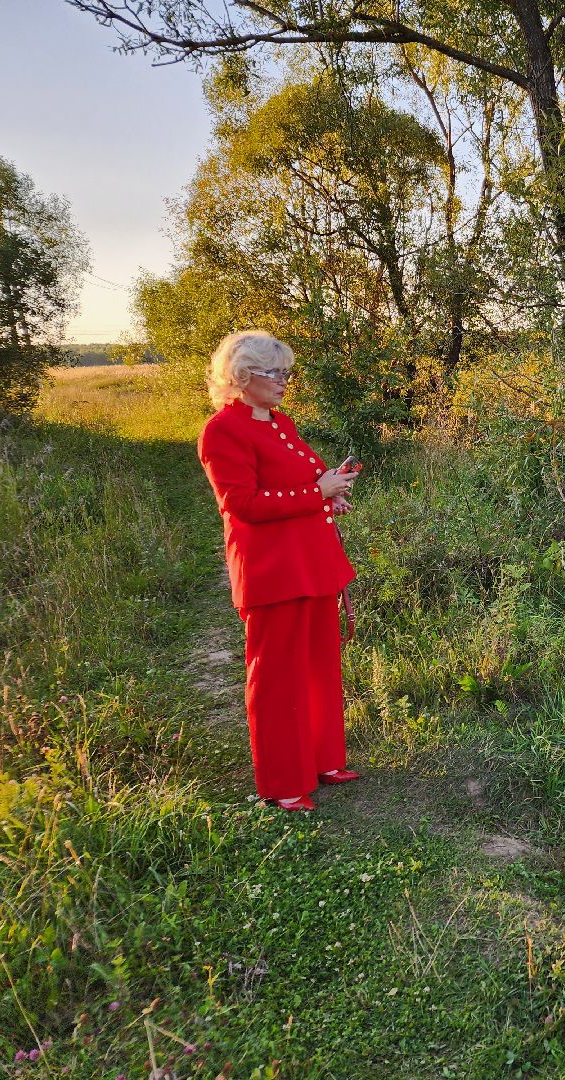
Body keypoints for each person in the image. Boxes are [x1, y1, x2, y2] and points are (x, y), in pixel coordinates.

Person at [197, 331, 360, 812]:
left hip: (311, 564)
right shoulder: (222, 430)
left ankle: (324, 760)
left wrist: (329, 491)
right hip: (272, 571)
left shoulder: (279, 422)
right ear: (242, 377)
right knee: (276, 679)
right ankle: (283, 782)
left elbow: (300, 484)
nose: (284, 381)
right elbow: (241, 504)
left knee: (319, 667)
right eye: (274, 373)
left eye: (286, 372)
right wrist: (317, 493)